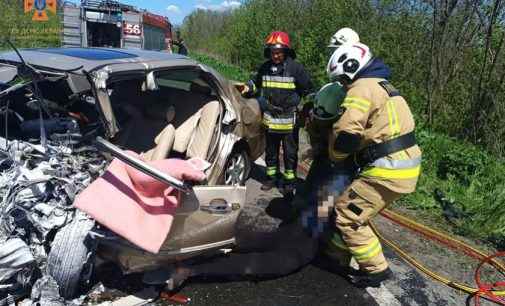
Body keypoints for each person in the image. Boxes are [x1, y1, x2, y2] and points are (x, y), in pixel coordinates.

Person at [321, 42, 421, 287]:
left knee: (346, 213)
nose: (344, 86)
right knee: (353, 208)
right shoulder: (384, 85)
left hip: (387, 169)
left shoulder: (361, 89)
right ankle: (339, 255)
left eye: (343, 80)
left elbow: (346, 133)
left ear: (351, 67)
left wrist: (335, 158)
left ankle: (376, 269)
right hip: (402, 166)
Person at [239, 31, 313, 194]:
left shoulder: (296, 68)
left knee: (290, 155)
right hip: (270, 119)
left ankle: (289, 183)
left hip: (288, 121)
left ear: (286, 51)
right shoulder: (265, 67)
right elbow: (256, 84)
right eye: (273, 52)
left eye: (279, 52)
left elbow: (308, 89)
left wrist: (310, 107)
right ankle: (271, 178)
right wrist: (247, 88)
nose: (275, 55)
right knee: (270, 153)